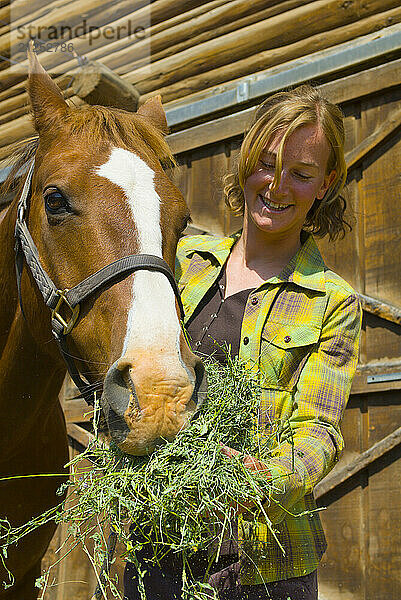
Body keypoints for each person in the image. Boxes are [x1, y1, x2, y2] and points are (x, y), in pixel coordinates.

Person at [124, 85, 361, 600]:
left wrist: (264, 479)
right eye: (266, 164)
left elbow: (317, 430)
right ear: (246, 160)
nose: (276, 186)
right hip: (158, 548)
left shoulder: (332, 302)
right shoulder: (183, 262)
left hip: (262, 568)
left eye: (300, 173)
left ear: (327, 182)